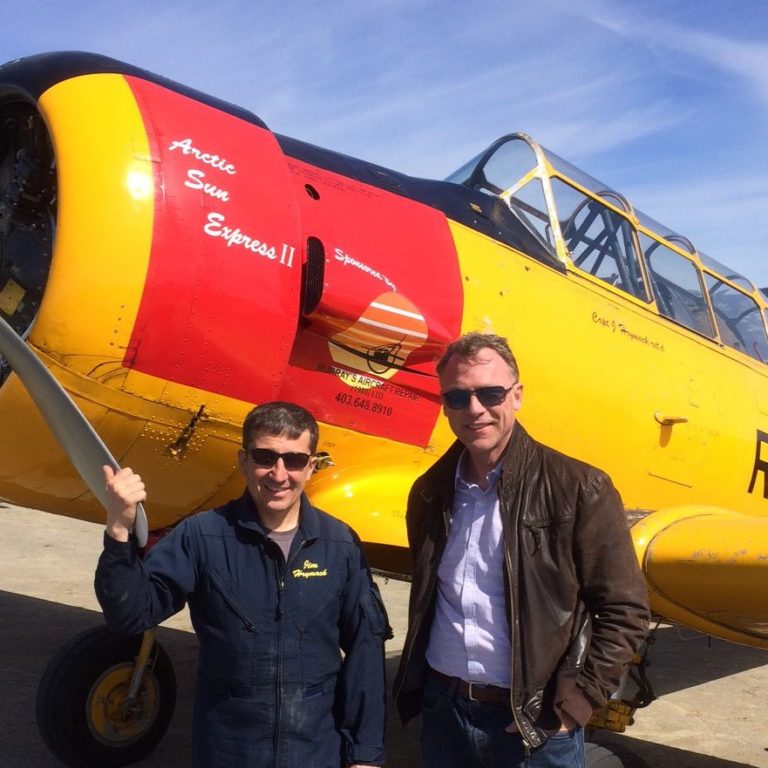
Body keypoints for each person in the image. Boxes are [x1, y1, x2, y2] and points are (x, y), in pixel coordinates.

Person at [393, 332, 650, 768]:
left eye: (490, 393)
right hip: (444, 711)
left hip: (535, 720)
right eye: (457, 397)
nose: (474, 409)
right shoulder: (429, 492)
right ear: (445, 406)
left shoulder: (580, 487)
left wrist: (582, 698)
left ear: (517, 396)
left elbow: (624, 607)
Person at [95, 401, 389, 768]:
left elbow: (365, 650)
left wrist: (365, 754)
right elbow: (131, 615)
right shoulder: (201, 536)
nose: (279, 474)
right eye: (265, 457)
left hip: (315, 751)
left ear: (311, 466)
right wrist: (118, 528)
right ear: (243, 460)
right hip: (228, 750)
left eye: (294, 460)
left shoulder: (340, 544)